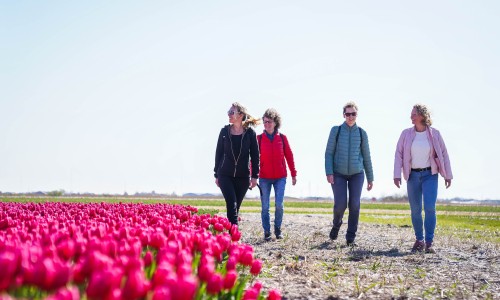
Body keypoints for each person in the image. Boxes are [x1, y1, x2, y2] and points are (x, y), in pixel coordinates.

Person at [393, 104, 453, 253]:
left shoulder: (435, 134)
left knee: (430, 208)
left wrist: (447, 175)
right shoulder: (405, 134)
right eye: (411, 114)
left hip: (430, 175)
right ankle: (419, 240)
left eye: (414, 114)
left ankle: (429, 242)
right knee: (415, 209)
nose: (411, 117)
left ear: (422, 116)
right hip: (412, 175)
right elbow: (398, 154)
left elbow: (444, 154)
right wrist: (396, 174)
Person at [325, 101, 374, 246]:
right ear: (344, 115)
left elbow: (367, 156)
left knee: (355, 204)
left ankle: (350, 236)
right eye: (348, 114)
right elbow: (328, 153)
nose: (350, 117)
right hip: (338, 173)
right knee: (340, 204)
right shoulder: (336, 130)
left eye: (353, 114)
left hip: (357, 174)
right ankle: (336, 224)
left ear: (356, 115)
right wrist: (329, 172)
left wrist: (370, 177)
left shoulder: (361, 133)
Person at [214, 102, 260, 226]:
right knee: (232, 204)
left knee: (235, 208)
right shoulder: (224, 131)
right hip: (225, 175)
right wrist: (216, 175)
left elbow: (255, 156)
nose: (228, 114)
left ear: (240, 115)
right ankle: (234, 237)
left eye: (231, 112)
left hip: (243, 177)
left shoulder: (250, 134)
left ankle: (230, 237)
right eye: (228, 111)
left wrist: (254, 176)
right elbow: (218, 153)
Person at [257, 108, 297, 241]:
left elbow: (289, 156)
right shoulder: (259, 139)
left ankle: (278, 229)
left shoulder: (282, 138)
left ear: (275, 123)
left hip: (280, 177)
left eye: (269, 121)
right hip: (264, 178)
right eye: (264, 122)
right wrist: (253, 175)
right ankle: (267, 232)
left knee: (279, 204)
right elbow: (253, 159)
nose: (266, 124)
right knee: (265, 206)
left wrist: (293, 173)